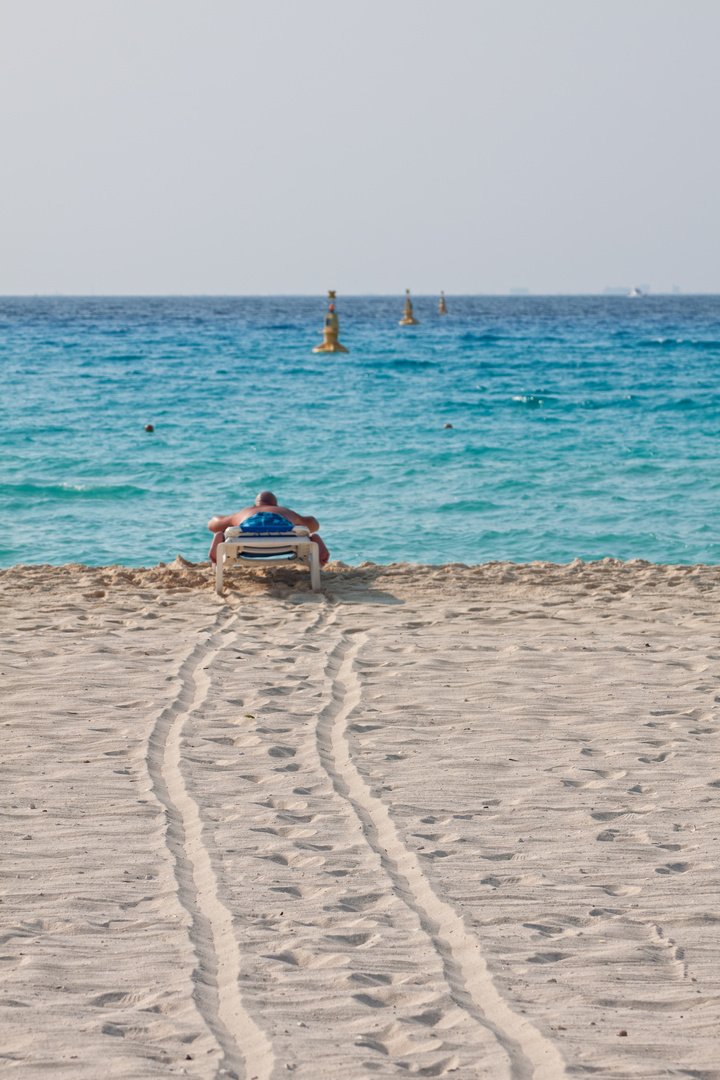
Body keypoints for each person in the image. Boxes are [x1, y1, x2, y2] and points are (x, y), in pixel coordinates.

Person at [207, 491, 330, 566]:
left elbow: (212, 525)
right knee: (301, 532)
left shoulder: (246, 512)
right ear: (275, 505)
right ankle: (314, 538)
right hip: (283, 542)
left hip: (248, 542)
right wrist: (301, 519)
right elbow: (314, 524)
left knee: (229, 531)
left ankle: (220, 536)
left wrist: (225, 524)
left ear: (255, 505)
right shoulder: (283, 511)